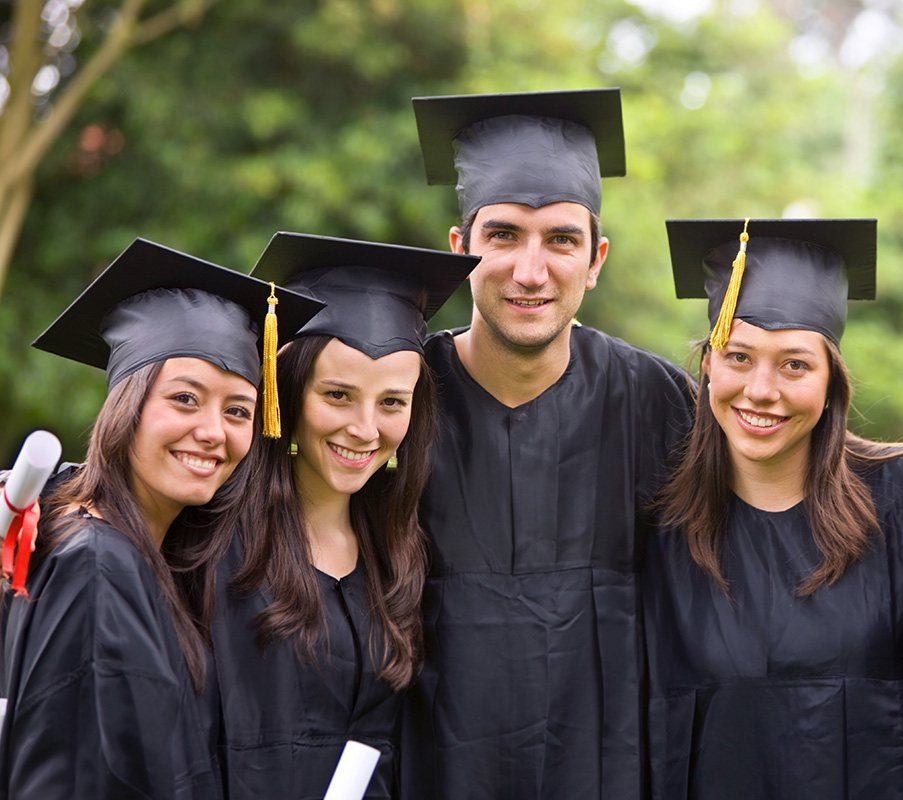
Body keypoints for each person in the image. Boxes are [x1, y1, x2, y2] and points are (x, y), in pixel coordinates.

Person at [403, 88, 694, 798]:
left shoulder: (660, 403)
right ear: (458, 250)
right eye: (503, 235)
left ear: (594, 259)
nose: (530, 272)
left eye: (560, 239)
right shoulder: (396, 401)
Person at [0, 239, 321, 799]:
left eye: (238, 410)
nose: (213, 432)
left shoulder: (123, 548)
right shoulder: (97, 565)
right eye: (185, 399)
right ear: (127, 405)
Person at [644, 218, 903, 799]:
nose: (761, 389)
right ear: (707, 365)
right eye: (738, 357)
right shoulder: (659, 524)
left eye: (795, 364)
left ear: (831, 381)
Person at [200, 233, 477, 799]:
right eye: (338, 395)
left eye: (392, 402)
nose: (365, 429)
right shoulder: (209, 537)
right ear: (290, 391)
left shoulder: (398, 554)